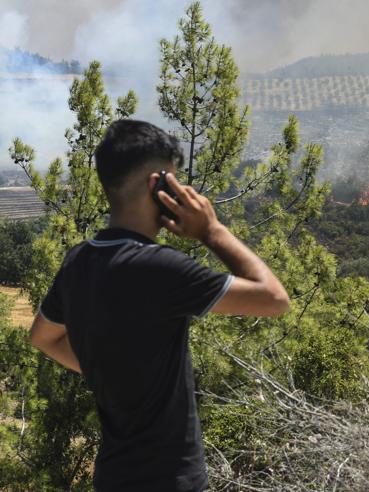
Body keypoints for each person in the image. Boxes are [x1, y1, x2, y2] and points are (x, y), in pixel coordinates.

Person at [28, 119, 290, 491]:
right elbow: (274, 298)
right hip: (170, 480)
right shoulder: (159, 267)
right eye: (177, 182)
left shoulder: (78, 261)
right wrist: (211, 231)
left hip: (113, 479)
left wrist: (107, 372)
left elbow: (43, 338)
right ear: (158, 185)